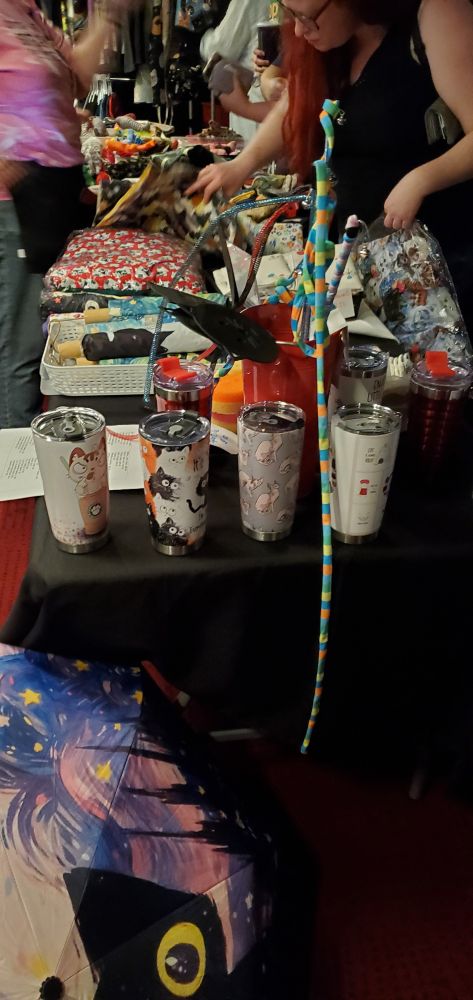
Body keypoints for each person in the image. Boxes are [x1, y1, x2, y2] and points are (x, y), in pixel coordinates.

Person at [188, 0, 473, 334]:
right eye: (292, 16)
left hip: (438, 270)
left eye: (307, 17)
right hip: (362, 261)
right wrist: (241, 166)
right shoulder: (331, 45)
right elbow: (297, 107)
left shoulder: (437, 15)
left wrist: (421, 179)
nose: (298, 30)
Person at [0, 0, 140, 428]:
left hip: (53, 190)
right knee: (22, 348)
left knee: (46, 334)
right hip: (14, 200)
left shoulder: (25, 11)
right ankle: (15, 454)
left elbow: (78, 76)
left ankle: (41, 444)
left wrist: (108, 15)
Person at [200, 0, 270, 142]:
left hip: (255, 104)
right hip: (280, 104)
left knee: (253, 153)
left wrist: (202, 38)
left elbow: (221, 47)